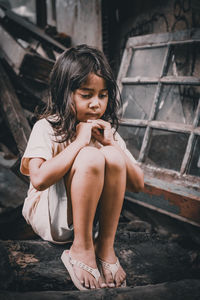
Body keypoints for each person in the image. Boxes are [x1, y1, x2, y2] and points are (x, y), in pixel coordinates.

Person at [20, 44, 144, 291]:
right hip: (49, 217)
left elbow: (138, 184)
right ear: (63, 94)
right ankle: (81, 249)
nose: (96, 104)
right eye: (86, 95)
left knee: (111, 154)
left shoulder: (106, 131)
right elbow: (39, 179)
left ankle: (104, 246)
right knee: (90, 157)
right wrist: (79, 142)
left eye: (103, 95)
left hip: (90, 222)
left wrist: (111, 144)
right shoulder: (46, 127)